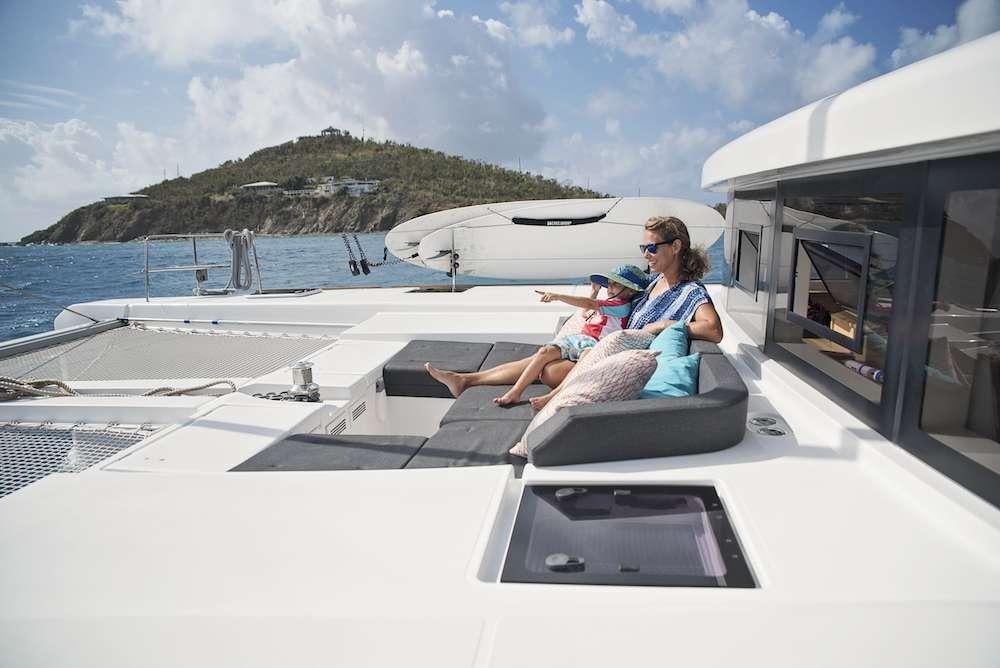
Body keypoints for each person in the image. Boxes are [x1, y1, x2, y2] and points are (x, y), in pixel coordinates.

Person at [530, 216, 723, 394]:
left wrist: (665, 324)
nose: (646, 255)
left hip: (624, 360)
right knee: (542, 359)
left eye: (652, 248)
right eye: (643, 248)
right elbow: (626, 291)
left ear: (676, 246)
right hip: (609, 345)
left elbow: (714, 329)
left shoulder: (691, 290)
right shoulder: (655, 281)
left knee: (549, 370)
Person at [424, 264, 650, 407]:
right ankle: (465, 380)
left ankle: (535, 396)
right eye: (608, 284)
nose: (609, 287)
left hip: (591, 346)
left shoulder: (621, 307)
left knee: (545, 364)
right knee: (541, 355)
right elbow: (588, 310)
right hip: (582, 341)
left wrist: (559, 296)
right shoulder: (611, 304)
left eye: (614, 285)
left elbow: (591, 305)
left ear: (630, 291)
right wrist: (594, 289)